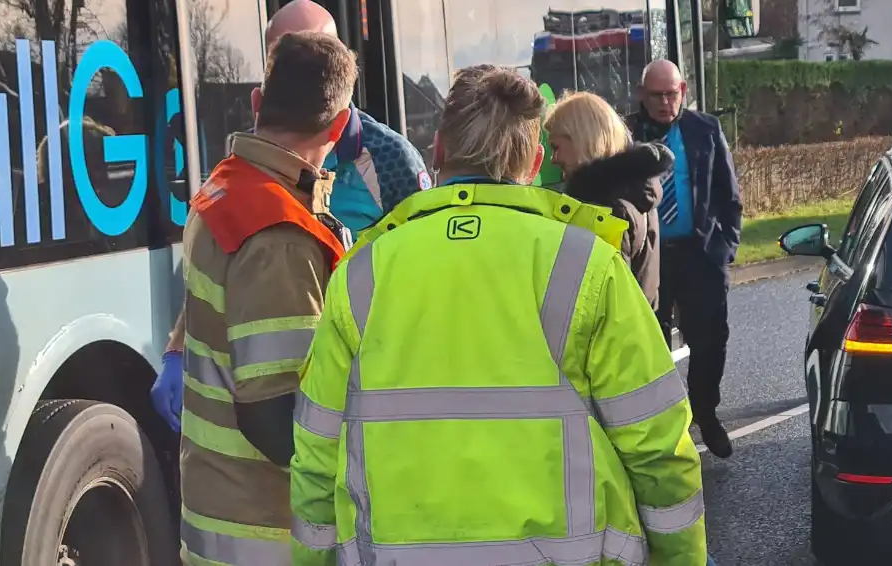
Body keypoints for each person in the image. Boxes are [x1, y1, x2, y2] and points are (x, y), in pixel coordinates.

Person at [289, 65, 709, 565]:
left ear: (439, 150)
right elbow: (659, 449)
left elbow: (314, 459)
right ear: (534, 163)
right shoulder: (587, 266)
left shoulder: (360, 275)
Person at [151, 0, 430, 432]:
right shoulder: (256, 183)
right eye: (283, 59)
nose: (300, 78)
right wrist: (176, 347)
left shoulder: (393, 163)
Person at [178, 31, 357, 565]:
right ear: (340, 126)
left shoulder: (228, 187)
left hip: (220, 516)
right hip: (266, 534)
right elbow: (277, 417)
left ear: (258, 102)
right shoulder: (278, 233)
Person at [627, 59, 742, 460]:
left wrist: (726, 247)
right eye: (656, 95)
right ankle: (662, 427)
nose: (664, 102)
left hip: (701, 253)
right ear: (642, 95)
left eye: (670, 93)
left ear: (683, 90)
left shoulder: (704, 130)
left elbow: (728, 196)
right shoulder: (627, 134)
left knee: (710, 341)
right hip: (649, 256)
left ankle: (706, 413)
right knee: (649, 345)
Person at [545, 90, 673, 310]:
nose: (553, 159)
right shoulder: (635, 192)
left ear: (581, 140)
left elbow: (604, 302)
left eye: (556, 148)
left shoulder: (605, 208)